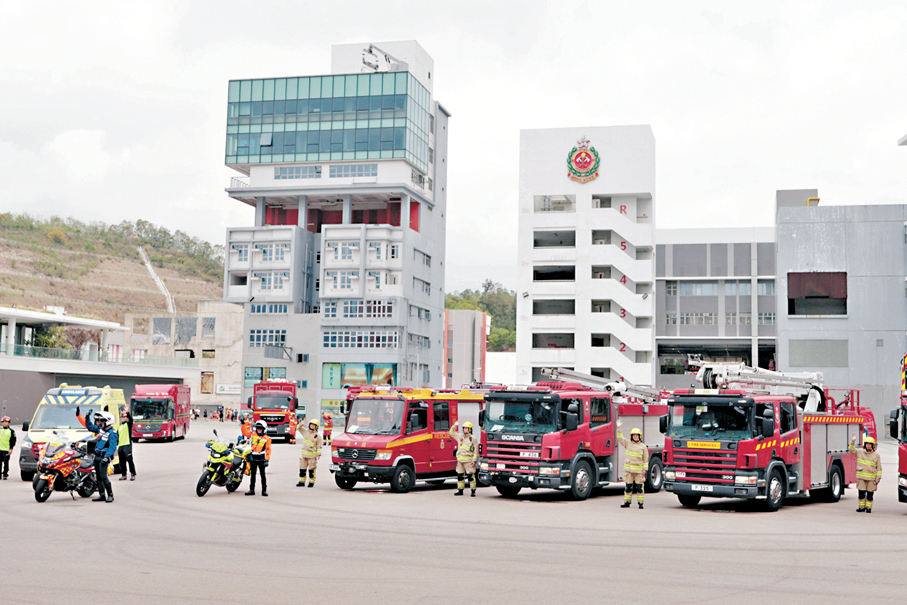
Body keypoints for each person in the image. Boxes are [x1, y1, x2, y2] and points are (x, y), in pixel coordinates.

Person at [76, 407, 118, 503]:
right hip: (97, 455)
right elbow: (90, 427)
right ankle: (102, 495)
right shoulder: (100, 429)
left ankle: (110, 495)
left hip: (104, 456)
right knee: (98, 476)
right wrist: (87, 417)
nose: (100, 422)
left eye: (102, 420)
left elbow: (113, 447)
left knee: (104, 476)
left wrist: (107, 457)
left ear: (108, 421)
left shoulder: (112, 433)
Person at [617, 419, 648, 509]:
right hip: (629, 471)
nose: (635, 437)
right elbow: (620, 438)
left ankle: (640, 503)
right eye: (634, 435)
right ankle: (627, 502)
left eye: (636, 435)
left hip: (638, 472)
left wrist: (644, 470)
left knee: (639, 488)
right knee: (628, 487)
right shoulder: (627, 443)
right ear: (631, 436)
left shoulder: (643, 447)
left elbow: (645, 459)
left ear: (639, 436)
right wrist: (619, 427)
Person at [851, 433, 882, 513]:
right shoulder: (860, 452)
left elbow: (879, 467)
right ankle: (861, 507)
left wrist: (878, 477)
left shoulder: (876, 455)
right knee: (861, 493)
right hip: (862, 478)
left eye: (869, 444)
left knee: (869, 494)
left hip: (871, 479)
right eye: (866, 444)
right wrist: (853, 441)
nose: (868, 445)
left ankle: (868, 508)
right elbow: (852, 450)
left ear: (872, 445)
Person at [449, 420, 479, 497]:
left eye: (466, 428)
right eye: (464, 428)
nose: (465, 429)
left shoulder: (473, 438)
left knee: (470, 476)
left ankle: (473, 490)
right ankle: (460, 489)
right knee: (460, 476)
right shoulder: (460, 436)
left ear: (470, 429)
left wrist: (474, 460)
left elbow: (476, 450)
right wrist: (454, 425)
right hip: (460, 461)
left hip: (469, 461)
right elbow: (451, 433)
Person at [245, 421, 271, 497]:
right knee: (253, 475)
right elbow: (245, 433)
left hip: (261, 458)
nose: (259, 430)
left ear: (264, 429)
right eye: (258, 428)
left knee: (263, 475)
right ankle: (251, 490)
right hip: (253, 457)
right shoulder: (252, 435)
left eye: (261, 429)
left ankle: (264, 490)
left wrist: (267, 460)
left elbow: (268, 450)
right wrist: (243, 424)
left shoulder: (267, 438)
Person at [296, 418, 322, 488]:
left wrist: (318, 454)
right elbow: (298, 428)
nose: (312, 426)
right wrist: (302, 424)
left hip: (312, 456)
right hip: (304, 455)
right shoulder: (305, 432)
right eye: (311, 425)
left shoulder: (318, 436)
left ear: (316, 427)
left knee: (312, 470)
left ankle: (311, 482)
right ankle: (302, 481)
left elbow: (319, 446)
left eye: (314, 425)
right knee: (302, 469)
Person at [116, 409, 136, 481]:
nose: (123, 418)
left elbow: (131, 419)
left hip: (127, 444)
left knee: (129, 460)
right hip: (121, 445)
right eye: (122, 417)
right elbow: (117, 436)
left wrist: (127, 412)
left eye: (124, 417)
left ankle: (133, 474)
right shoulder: (119, 426)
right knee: (122, 461)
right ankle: (123, 475)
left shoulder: (128, 424)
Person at [0, 416, 16, 480]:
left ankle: (5, 474)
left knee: (6, 463)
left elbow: (13, 440)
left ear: (8, 423)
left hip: (6, 449)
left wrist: (11, 448)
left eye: (6, 422)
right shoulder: (0, 430)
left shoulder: (11, 431)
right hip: (0, 449)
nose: (4, 423)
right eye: (3, 422)